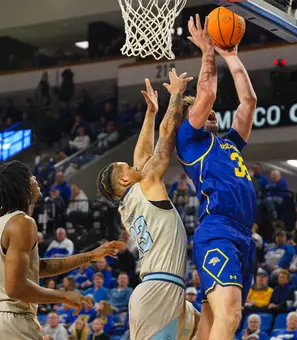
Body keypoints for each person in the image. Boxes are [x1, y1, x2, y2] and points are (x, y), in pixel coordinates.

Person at [97, 72, 199, 340]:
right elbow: (165, 139)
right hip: (159, 290)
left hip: (165, 287)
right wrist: (176, 95)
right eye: (127, 167)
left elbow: (142, 157)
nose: (133, 165)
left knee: (212, 328)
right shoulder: (146, 186)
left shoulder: (131, 200)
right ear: (123, 179)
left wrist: (151, 112)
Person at [0, 161, 124, 340]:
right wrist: (63, 296)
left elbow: (38, 268)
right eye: (30, 176)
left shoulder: (0, 222)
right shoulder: (22, 223)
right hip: (9, 322)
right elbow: (16, 288)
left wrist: (90, 256)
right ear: (23, 188)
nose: (35, 178)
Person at [175, 14, 258, 340]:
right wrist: (207, 50)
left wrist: (231, 56)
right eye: (197, 109)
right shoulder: (189, 140)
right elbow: (207, 93)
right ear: (188, 118)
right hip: (218, 230)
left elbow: (248, 102)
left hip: (243, 235)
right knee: (231, 314)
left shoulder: (228, 143)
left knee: (212, 324)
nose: (207, 110)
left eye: (209, 111)